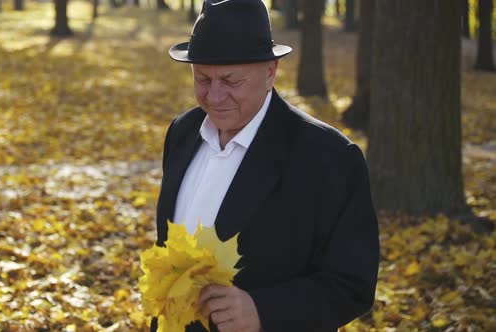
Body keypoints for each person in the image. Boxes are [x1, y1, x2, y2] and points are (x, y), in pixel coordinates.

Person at [152, 0, 380, 331]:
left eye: (231, 81)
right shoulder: (182, 132)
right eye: (202, 79)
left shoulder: (330, 158)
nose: (214, 97)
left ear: (270, 71)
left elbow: (352, 285)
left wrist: (263, 311)